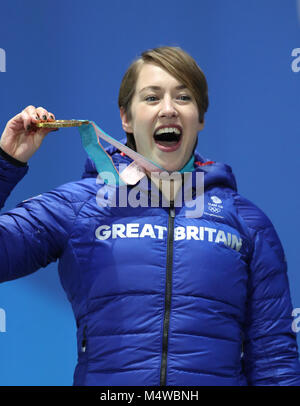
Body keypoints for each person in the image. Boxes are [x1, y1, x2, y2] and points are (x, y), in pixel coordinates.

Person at [0, 46, 300, 386]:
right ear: (126, 118)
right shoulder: (80, 206)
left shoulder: (246, 221)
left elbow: (274, 358)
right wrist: (5, 162)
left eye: (184, 97)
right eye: (152, 98)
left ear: (200, 117)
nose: (168, 109)